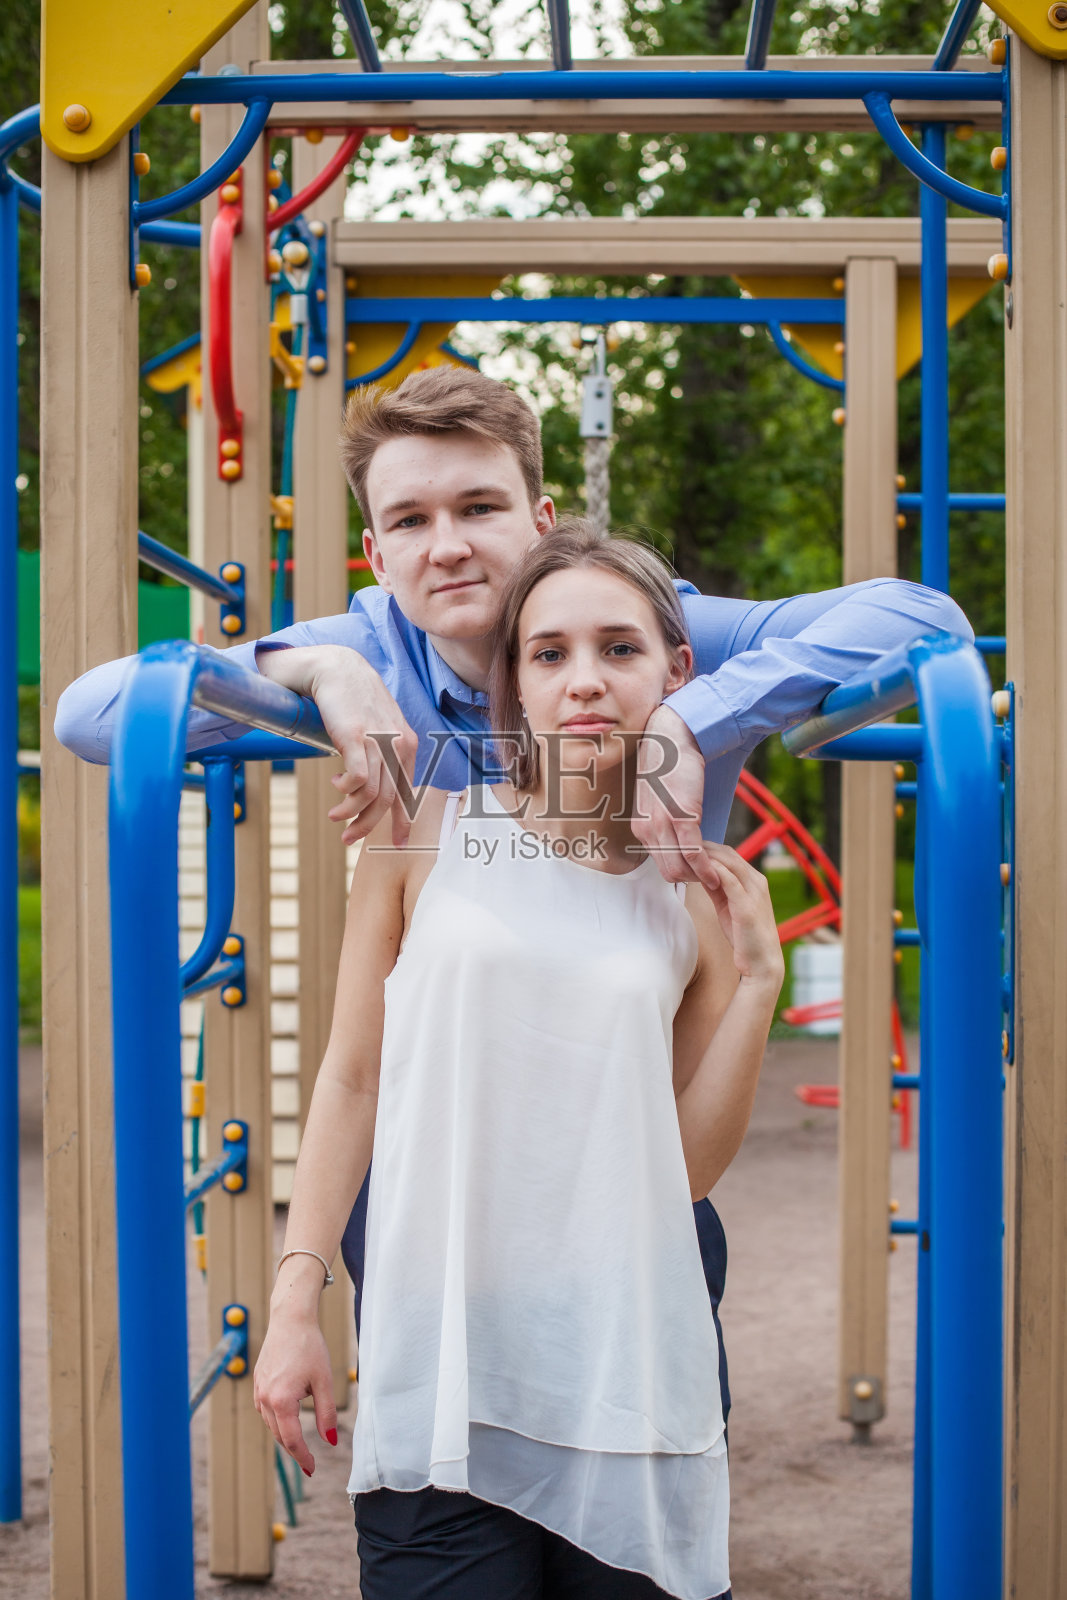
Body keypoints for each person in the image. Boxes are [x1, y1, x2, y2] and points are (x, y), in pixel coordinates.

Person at [53, 365, 970, 1430]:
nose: (447, 544)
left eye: (479, 507)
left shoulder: (645, 639)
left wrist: (693, 718)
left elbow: (921, 614)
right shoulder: (371, 647)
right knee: (454, 1469)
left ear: (539, 518)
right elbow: (90, 716)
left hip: (626, 1131)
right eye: (410, 519)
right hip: (443, 1157)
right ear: (376, 553)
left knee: (636, 1443)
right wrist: (316, 672)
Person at [253, 522, 786, 1599]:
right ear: (514, 685)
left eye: (618, 649)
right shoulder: (421, 834)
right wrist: (295, 1302)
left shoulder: (690, 890)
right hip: (441, 1353)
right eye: (548, 653)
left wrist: (760, 983)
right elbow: (353, 1078)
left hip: (619, 1360)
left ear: (675, 675)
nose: (583, 681)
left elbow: (679, 1174)